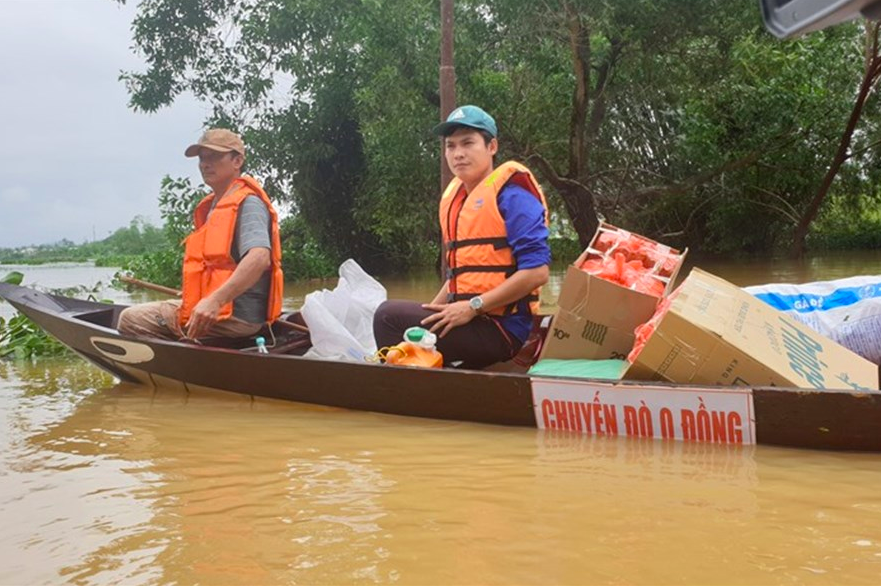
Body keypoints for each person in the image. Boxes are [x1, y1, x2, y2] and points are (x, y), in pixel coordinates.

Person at [373, 105, 551, 369]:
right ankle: (433, 373)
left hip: (501, 329)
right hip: (472, 318)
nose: (458, 154)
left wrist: (472, 307)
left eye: (468, 143)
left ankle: (410, 395)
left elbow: (537, 273)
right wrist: (426, 317)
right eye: (451, 146)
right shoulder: (456, 200)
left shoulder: (513, 197)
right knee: (403, 325)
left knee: (387, 316)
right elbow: (459, 276)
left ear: (492, 147)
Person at [117, 129, 284, 341]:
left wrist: (214, 301)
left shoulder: (248, 203)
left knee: (130, 319)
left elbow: (259, 258)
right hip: (224, 309)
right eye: (202, 158)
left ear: (237, 161)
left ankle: (182, 366)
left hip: (237, 317)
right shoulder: (215, 204)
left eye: (214, 156)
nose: (205, 164)